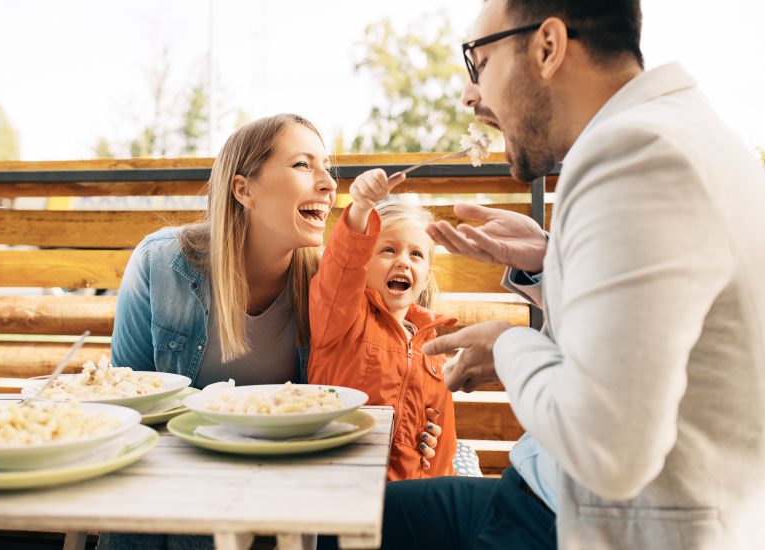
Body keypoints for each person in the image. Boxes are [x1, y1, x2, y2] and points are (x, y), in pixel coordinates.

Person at [384, 0, 765, 548]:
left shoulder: (636, 155)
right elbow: (649, 324)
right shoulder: (679, 131)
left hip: (580, 526)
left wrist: (508, 345)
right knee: (334, 522)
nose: (470, 94)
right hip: (539, 490)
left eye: (480, 62)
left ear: (548, 47)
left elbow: (607, 450)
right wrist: (550, 261)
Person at [100, 114, 444, 549]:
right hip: (181, 465)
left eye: (327, 168)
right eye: (303, 165)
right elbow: (129, 402)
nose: (328, 184)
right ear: (243, 190)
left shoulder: (329, 289)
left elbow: (377, 374)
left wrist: (415, 429)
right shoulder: (160, 263)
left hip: (286, 479)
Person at [308, 169, 457, 479]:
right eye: (388, 250)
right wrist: (362, 208)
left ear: (426, 275)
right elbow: (342, 266)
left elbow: (442, 445)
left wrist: (438, 484)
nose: (403, 261)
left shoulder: (431, 347)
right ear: (364, 263)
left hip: (409, 489)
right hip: (344, 478)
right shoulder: (342, 317)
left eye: (416, 254)